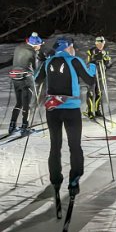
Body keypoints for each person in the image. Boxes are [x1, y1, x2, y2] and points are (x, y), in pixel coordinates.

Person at [35, 37, 96, 197]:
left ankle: (55, 179)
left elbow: (36, 79)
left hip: (53, 109)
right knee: (74, 145)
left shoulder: (48, 62)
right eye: (72, 46)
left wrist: (40, 63)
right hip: (71, 109)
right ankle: (74, 180)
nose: (74, 49)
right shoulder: (74, 60)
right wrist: (94, 66)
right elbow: (90, 80)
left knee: (55, 145)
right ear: (68, 48)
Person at [8, 32, 45, 134]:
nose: (40, 47)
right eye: (39, 45)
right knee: (26, 104)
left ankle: (12, 125)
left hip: (15, 77)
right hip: (26, 78)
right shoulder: (33, 52)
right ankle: (25, 126)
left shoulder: (18, 48)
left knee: (19, 102)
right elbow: (35, 68)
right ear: (35, 45)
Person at [85, 36, 112, 119]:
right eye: (99, 44)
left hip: (100, 75)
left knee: (99, 93)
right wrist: (94, 59)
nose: (101, 45)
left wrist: (106, 61)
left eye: (102, 44)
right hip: (92, 74)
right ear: (96, 43)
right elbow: (87, 62)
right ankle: (89, 111)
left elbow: (109, 64)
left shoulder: (105, 52)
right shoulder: (91, 51)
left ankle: (97, 110)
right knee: (91, 93)